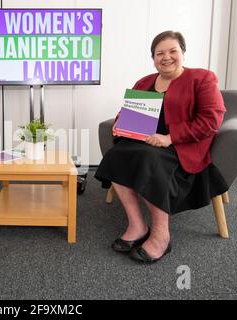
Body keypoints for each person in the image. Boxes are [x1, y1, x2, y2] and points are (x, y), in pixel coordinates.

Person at [95, 31, 228, 263]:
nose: (166, 57)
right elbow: (129, 112)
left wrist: (170, 137)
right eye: (159, 53)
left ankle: (160, 236)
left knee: (149, 159)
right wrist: (119, 122)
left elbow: (211, 120)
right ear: (153, 58)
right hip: (145, 142)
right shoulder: (145, 82)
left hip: (180, 148)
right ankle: (137, 226)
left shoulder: (202, 78)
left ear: (183, 53)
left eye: (172, 51)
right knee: (116, 156)